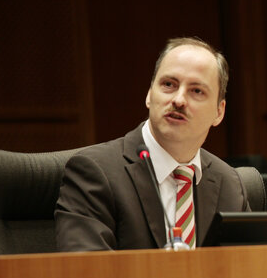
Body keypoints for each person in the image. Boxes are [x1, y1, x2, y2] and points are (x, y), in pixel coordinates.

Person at [55, 37, 251, 251]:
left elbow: (247, 272)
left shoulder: (229, 184)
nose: (178, 100)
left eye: (196, 91)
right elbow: (87, 273)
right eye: (169, 84)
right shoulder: (95, 172)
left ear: (219, 112)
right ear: (150, 94)